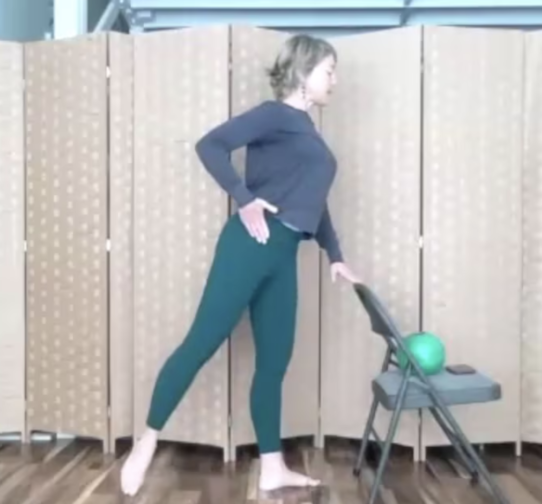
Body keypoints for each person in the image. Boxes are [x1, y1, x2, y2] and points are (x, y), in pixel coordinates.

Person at [120, 33, 361, 497]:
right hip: (250, 245)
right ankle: (146, 441)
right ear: (303, 71)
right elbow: (211, 145)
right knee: (202, 342)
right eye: (329, 70)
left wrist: (337, 257)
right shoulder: (275, 115)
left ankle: (273, 467)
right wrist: (245, 200)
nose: (335, 79)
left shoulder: (309, 132)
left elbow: (315, 203)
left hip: (283, 254)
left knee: (274, 362)